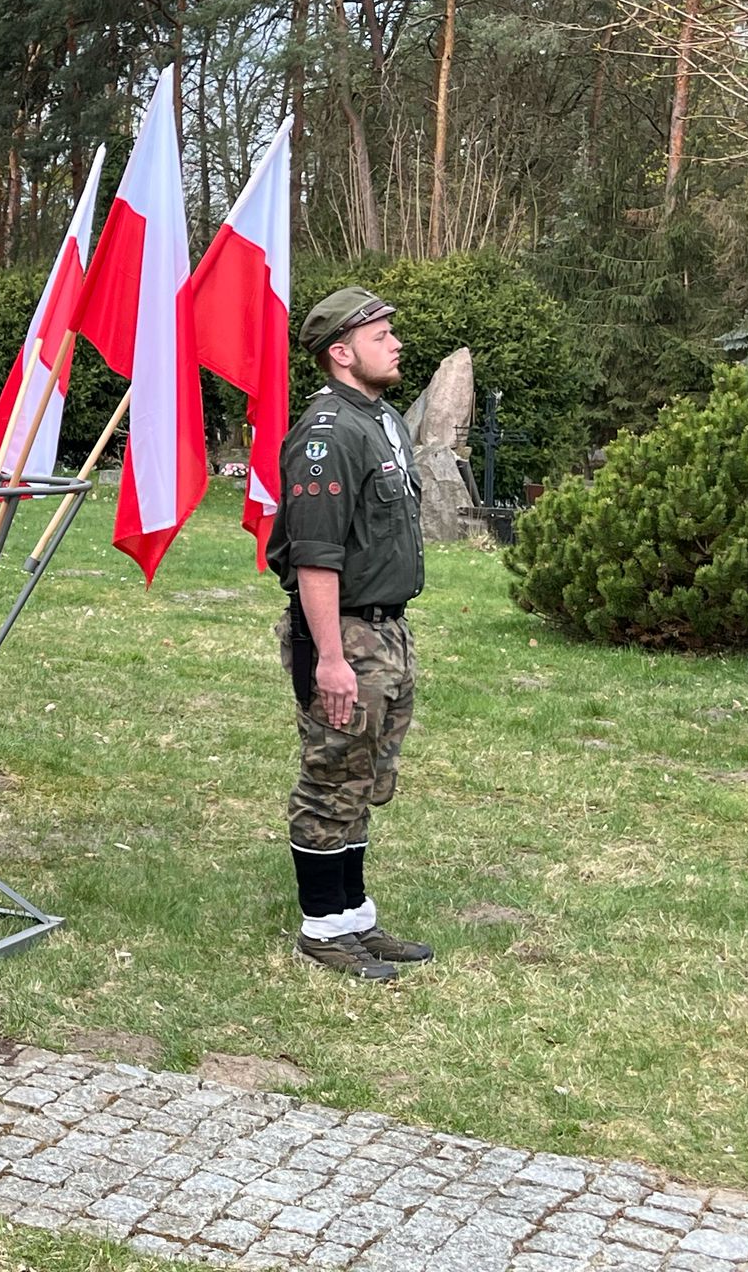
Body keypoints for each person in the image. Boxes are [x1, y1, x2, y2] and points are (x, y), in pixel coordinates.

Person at [267, 286, 433, 981]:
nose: (396, 343)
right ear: (341, 352)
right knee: (332, 774)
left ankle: (354, 916)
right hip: (346, 635)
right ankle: (321, 927)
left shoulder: (380, 418)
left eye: (392, 332)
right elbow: (315, 557)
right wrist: (330, 659)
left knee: (365, 776)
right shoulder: (328, 434)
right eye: (380, 335)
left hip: (386, 631)